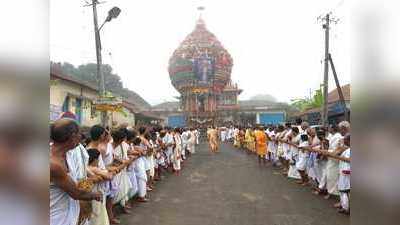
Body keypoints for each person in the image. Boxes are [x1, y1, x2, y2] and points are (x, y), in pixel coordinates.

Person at [50, 119, 102, 225]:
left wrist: (89, 181)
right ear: (73, 136)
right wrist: (96, 195)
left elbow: (76, 180)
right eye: (80, 134)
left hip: (67, 213)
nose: (81, 137)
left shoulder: (68, 154)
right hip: (55, 217)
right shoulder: (54, 164)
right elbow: (76, 193)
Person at [86, 148, 114, 225]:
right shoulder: (94, 168)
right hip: (95, 193)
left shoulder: (86, 167)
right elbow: (109, 176)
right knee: (97, 214)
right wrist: (104, 175)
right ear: (95, 159)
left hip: (88, 193)